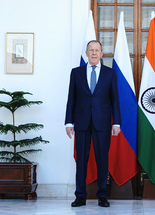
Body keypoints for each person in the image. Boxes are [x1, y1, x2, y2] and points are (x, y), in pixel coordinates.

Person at [65, 40, 121, 207]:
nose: (94, 53)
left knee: (102, 159)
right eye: (91, 50)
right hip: (81, 122)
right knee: (81, 160)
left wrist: (116, 122)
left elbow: (115, 101)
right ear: (87, 53)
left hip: (102, 123)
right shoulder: (76, 73)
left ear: (102, 54)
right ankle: (80, 196)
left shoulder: (110, 74)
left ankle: (102, 195)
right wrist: (69, 122)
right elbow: (71, 99)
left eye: (97, 50)